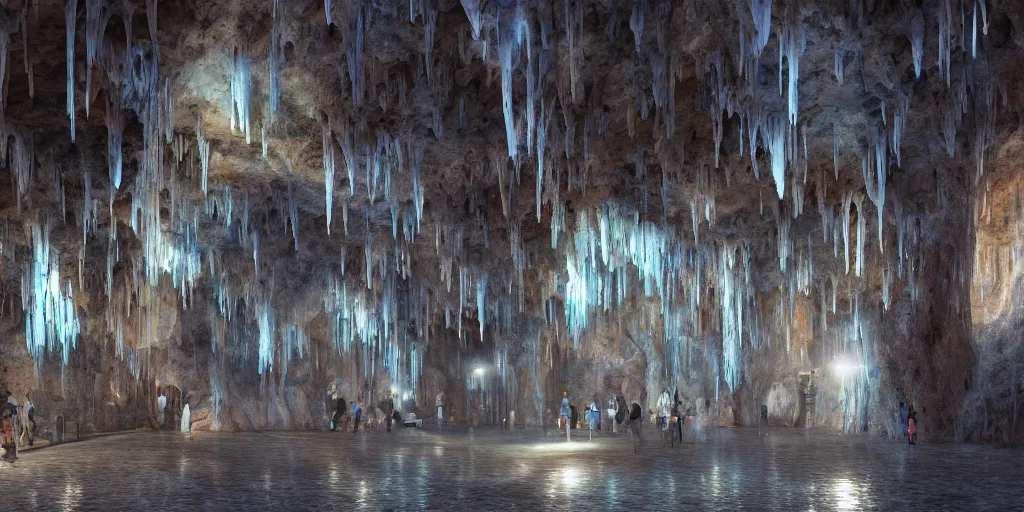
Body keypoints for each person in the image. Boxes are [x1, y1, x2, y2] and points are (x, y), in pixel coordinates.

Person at [1, 390, 17, 463]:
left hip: (6, 422)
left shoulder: (7, 404)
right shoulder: (7, 403)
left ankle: (10, 454)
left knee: (8, 438)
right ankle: (10, 454)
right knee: (7, 438)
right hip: (6, 422)